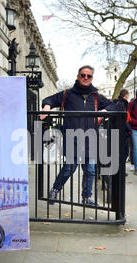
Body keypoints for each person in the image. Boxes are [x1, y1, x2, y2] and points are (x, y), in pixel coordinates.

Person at [40, 65, 112, 206]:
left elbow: (114, 105)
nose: (85, 78)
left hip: (90, 138)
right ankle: (54, 190)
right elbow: (49, 99)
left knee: (90, 170)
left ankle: (86, 198)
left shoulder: (97, 96)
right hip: (72, 137)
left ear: (92, 78)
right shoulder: (68, 94)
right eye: (83, 75)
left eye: (88, 76)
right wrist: (47, 106)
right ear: (78, 76)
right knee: (69, 168)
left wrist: (103, 111)